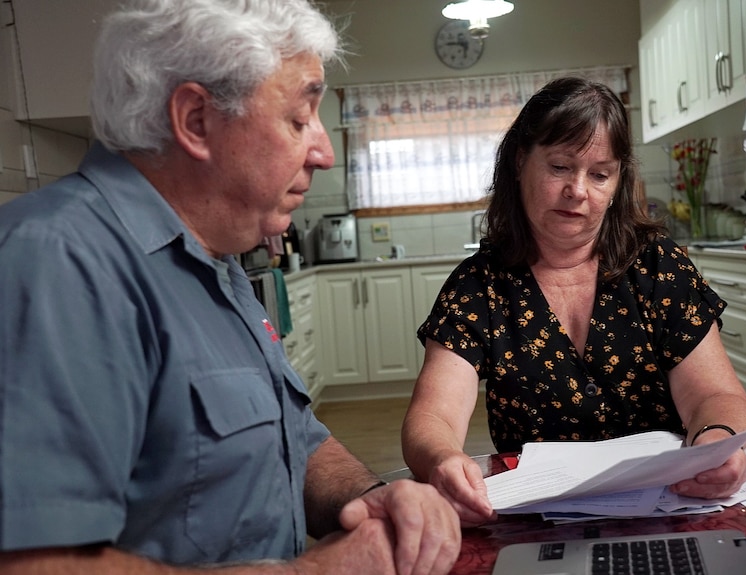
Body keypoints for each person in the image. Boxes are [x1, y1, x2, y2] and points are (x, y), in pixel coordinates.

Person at [0, 1, 460, 573]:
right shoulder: (56, 262)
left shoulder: (214, 256)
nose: (324, 151)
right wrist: (312, 573)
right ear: (196, 120)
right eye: (299, 118)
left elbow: (293, 440)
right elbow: (31, 564)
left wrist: (369, 498)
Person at [401, 76, 746, 526]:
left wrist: (716, 440)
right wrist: (442, 460)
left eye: (600, 174)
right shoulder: (479, 286)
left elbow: (715, 393)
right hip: (541, 521)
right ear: (519, 163)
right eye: (560, 167)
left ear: (617, 181)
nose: (579, 191)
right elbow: (433, 416)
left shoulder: (657, 267)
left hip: (667, 509)